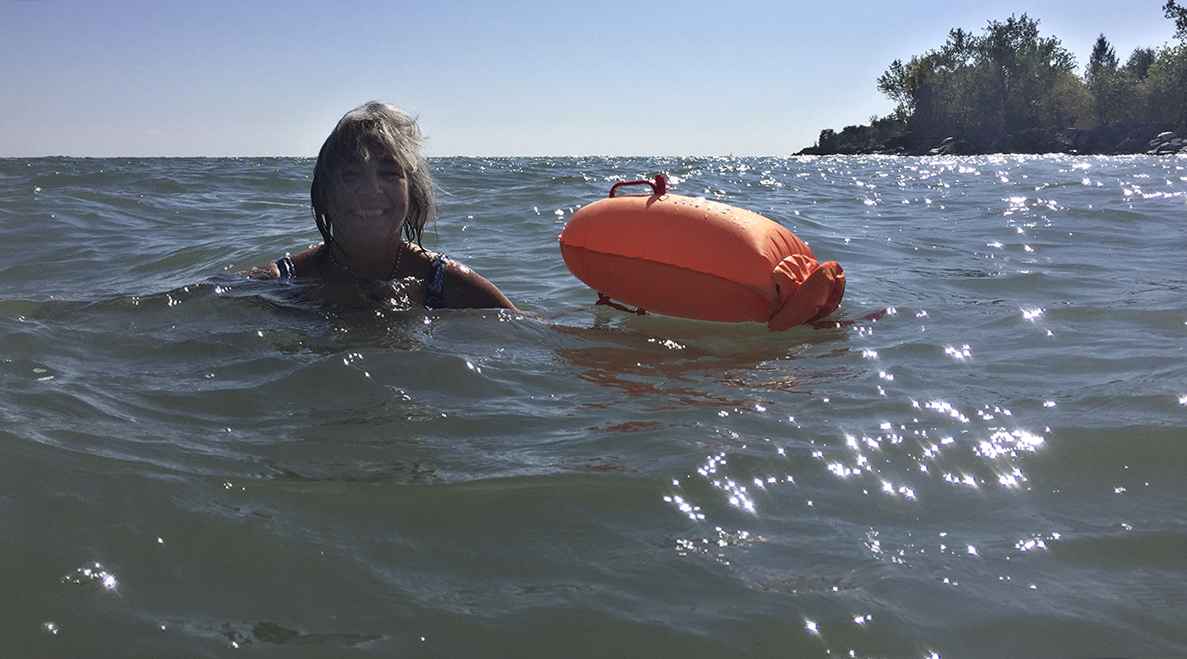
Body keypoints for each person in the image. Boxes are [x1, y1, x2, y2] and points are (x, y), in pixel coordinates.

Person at [247, 102, 521, 312]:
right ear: (322, 198)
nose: (371, 188)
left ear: (414, 199)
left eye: (389, 173)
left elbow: (529, 333)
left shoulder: (446, 283)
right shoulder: (283, 281)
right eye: (350, 174)